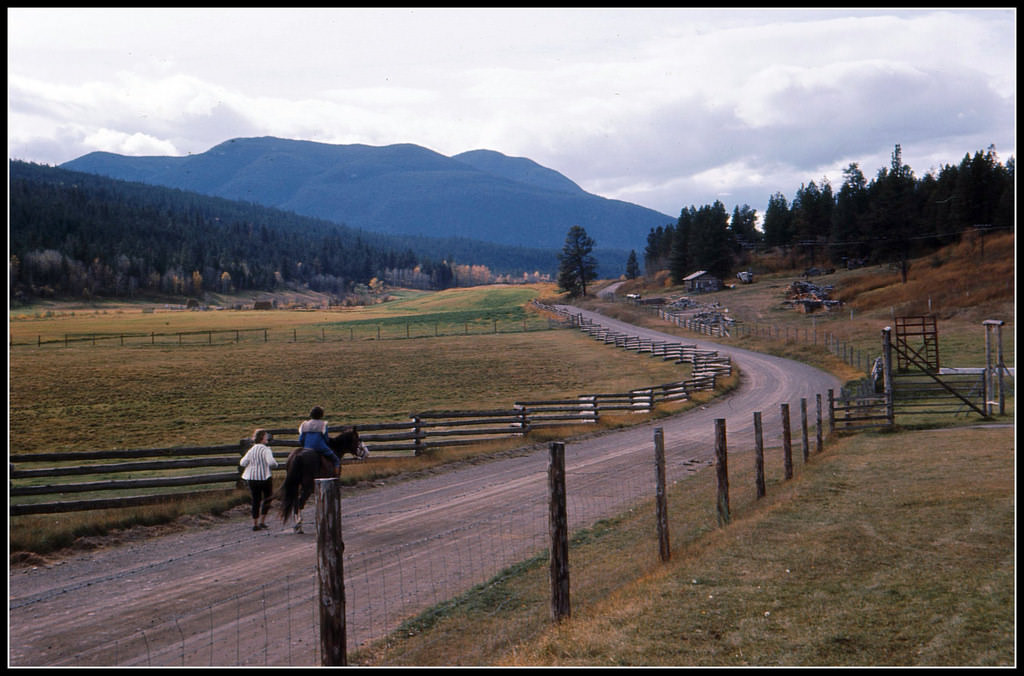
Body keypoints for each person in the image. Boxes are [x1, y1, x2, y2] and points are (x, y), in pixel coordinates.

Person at [240, 429, 278, 531]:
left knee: (255, 500)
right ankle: (262, 521)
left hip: (251, 478)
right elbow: (271, 463)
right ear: (262, 438)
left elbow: (242, 463)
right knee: (267, 499)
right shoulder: (266, 449)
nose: (267, 438)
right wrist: (276, 464)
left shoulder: (251, 450)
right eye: (266, 437)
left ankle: (255, 523)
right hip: (265, 477)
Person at [298, 406, 340, 471]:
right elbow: (326, 439)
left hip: (307, 448)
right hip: (320, 447)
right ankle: (336, 474)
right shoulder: (323, 424)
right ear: (321, 415)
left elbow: (301, 439)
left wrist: (305, 446)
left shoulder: (304, 424)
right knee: (336, 459)